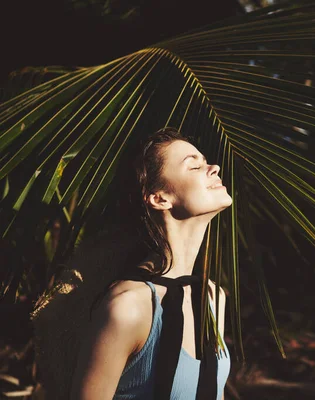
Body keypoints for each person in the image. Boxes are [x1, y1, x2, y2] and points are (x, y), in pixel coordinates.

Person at [68, 127, 233, 399]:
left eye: (206, 162)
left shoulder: (213, 298)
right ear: (159, 198)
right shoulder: (128, 306)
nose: (214, 168)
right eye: (194, 167)